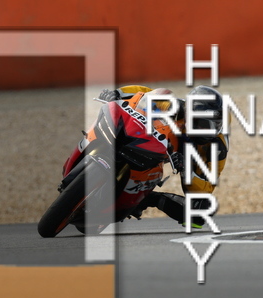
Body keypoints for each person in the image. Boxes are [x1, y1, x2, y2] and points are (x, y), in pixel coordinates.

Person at [98, 85, 229, 229]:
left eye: (215, 125)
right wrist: (118, 93)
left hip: (162, 160)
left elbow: (206, 189)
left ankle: (147, 199)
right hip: (147, 140)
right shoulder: (176, 107)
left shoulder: (217, 148)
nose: (208, 130)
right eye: (203, 123)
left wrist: (187, 170)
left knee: (202, 207)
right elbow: (147, 93)